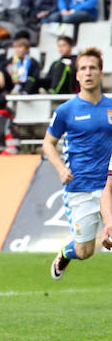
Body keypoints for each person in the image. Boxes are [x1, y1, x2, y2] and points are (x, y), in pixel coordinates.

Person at [44, 48, 112, 281]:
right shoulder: (66, 111)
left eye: (93, 68)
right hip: (80, 187)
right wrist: (61, 168)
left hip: (108, 186)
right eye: (83, 68)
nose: (88, 73)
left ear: (101, 73)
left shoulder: (111, 106)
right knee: (85, 251)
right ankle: (66, 252)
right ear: (77, 75)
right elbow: (48, 144)